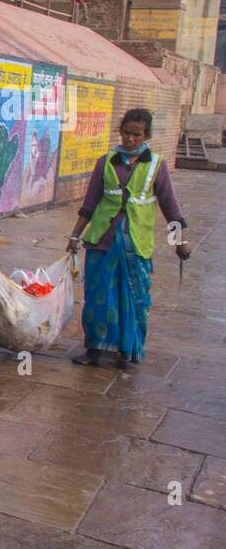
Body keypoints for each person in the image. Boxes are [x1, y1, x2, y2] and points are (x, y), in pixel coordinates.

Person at [66, 107, 190, 369]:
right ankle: (95, 349)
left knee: (136, 298)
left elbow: (170, 206)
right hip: (103, 239)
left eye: (136, 135)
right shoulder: (106, 161)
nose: (130, 139)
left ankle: (127, 350)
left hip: (136, 242)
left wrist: (180, 241)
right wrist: (75, 236)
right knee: (98, 295)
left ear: (146, 136)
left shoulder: (157, 165)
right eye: (126, 133)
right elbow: (90, 203)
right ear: (120, 131)